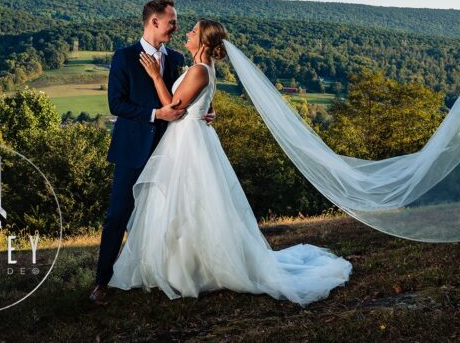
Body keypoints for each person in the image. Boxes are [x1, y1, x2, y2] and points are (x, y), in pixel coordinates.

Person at [107, 19, 352, 307]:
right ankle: (180, 263)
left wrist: (155, 77)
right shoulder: (198, 67)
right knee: (184, 203)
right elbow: (201, 102)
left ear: (205, 42)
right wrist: (208, 110)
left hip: (189, 142)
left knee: (192, 203)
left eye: (193, 32)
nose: (187, 33)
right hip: (186, 138)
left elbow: (173, 107)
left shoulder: (199, 70)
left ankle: (195, 268)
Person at [90, 0, 214, 305]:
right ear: (153, 22)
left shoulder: (174, 58)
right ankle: (102, 282)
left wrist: (207, 112)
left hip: (170, 149)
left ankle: (157, 272)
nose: (176, 26)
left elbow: (186, 96)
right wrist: (155, 114)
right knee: (118, 214)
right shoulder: (125, 57)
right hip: (132, 147)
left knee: (166, 214)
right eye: (172, 21)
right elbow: (116, 104)